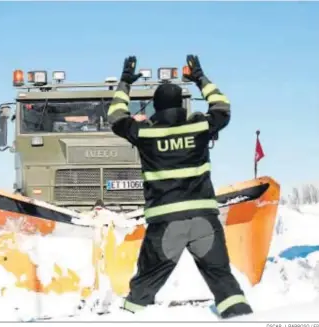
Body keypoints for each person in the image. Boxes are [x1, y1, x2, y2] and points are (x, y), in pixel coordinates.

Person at [106, 55, 253, 319]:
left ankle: (127, 319)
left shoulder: (145, 133)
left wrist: (125, 81)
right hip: (205, 221)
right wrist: (200, 77)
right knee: (224, 283)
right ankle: (243, 319)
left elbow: (115, 116)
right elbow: (222, 106)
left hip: (165, 224)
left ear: (156, 108)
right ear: (181, 106)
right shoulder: (200, 126)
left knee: (143, 289)